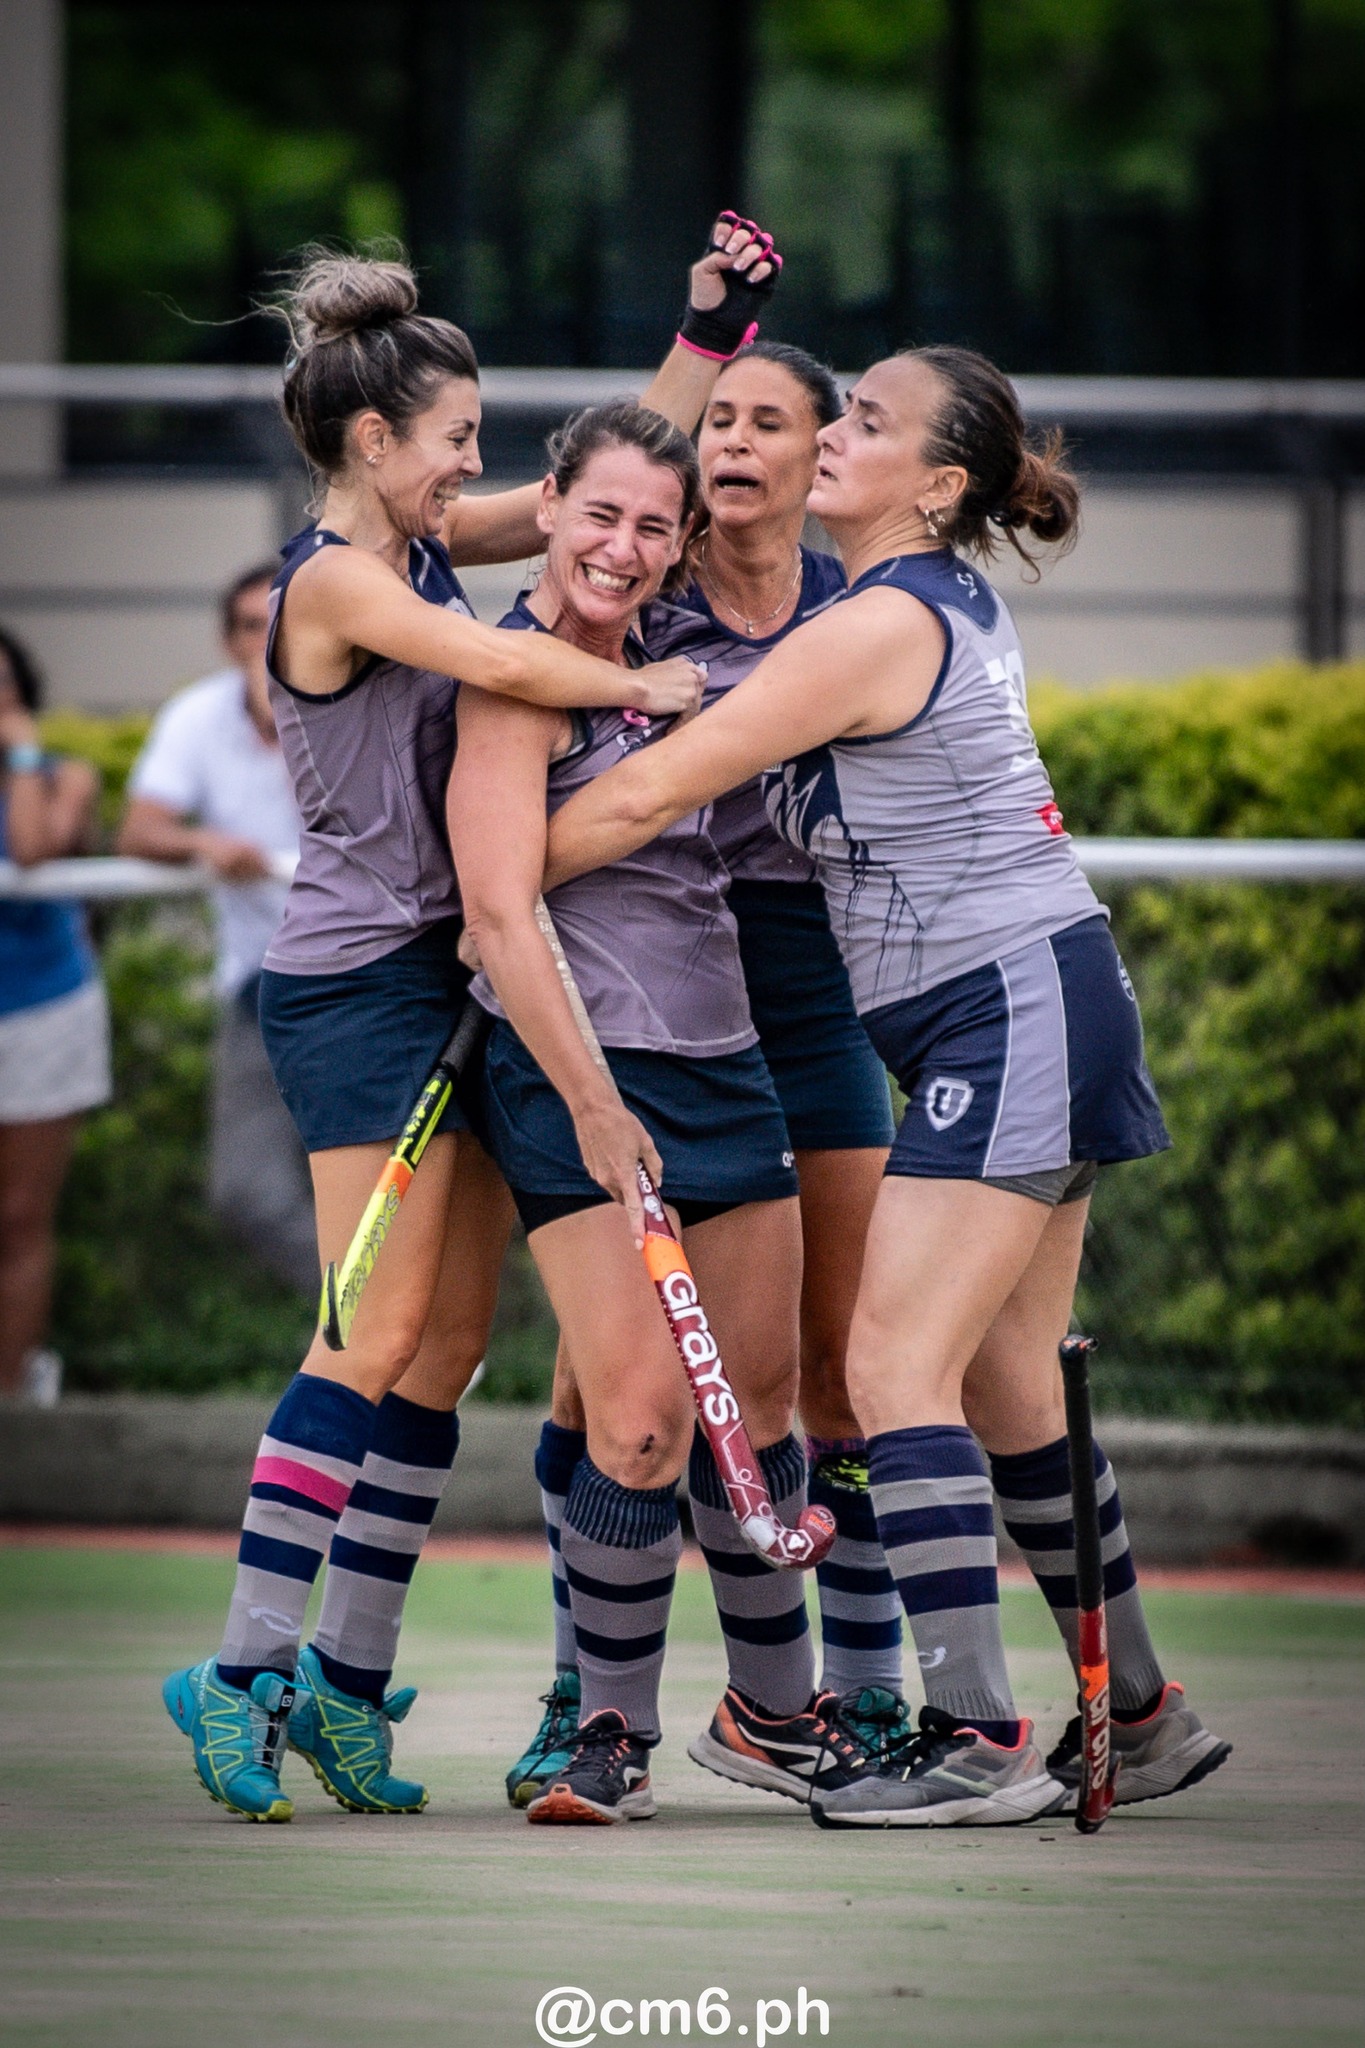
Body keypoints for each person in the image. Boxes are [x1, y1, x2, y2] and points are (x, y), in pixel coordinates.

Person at [542, 347, 1232, 1827]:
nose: (836, 436)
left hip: (1010, 1015)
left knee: (890, 1376)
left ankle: (975, 1735)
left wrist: (472, 886)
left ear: (935, 484)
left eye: (866, 421)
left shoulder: (879, 620)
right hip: (1017, 1011)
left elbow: (661, 787)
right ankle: (1150, 1714)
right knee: (1007, 1398)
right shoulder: (890, 608)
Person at [160, 222, 779, 1826]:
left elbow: (603, 490)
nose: (476, 469)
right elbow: (504, 647)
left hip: (453, 989)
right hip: (356, 989)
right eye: (455, 443)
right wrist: (659, 697)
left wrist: (704, 331)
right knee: (364, 1337)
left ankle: (350, 1690)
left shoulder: (422, 535)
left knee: (445, 1347)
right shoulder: (345, 579)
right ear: (377, 443)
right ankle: (239, 1672)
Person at [449, 400, 871, 1826]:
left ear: (682, 540)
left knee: (757, 1411)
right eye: (598, 513)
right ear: (549, 506)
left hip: (726, 1064)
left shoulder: (689, 673)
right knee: (638, 1420)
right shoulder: (512, 681)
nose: (621, 549)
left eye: (653, 525)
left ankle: (773, 1708)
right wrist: (593, 1108)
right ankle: (610, 1733)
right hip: (575, 1082)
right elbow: (499, 917)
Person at [119, 564, 315, 1294]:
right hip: (261, 985)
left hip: (371, 980)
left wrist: (294, 726)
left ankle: (403, 1340)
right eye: (247, 625)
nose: (263, 640)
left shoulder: (353, 702)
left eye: (278, 623)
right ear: (226, 639)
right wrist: (204, 843)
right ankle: (373, 1320)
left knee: (403, 1186)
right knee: (247, 1192)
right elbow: (137, 831)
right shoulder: (198, 716)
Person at [0, 626, 110, 1406]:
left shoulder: (63, 776)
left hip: (44, 1006)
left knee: (20, 1213)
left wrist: (22, 755)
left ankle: (13, 1392)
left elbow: (36, 849)